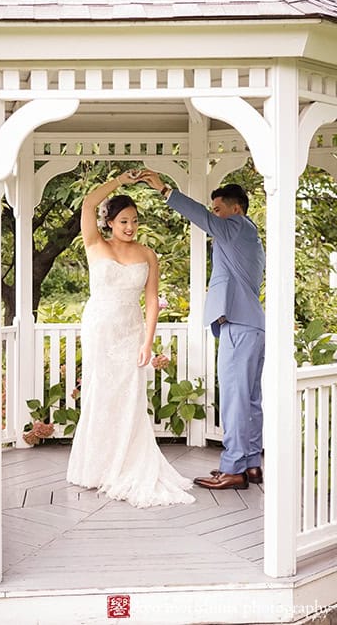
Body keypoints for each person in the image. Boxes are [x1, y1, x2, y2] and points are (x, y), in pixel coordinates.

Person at [66, 171, 195, 507]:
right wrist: (120, 180)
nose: (130, 227)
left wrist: (147, 343)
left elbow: (152, 301)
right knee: (101, 394)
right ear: (109, 222)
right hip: (100, 329)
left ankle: (128, 462)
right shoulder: (95, 244)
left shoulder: (148, 255)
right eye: (123, 221)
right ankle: (98, 467)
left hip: (131, 331)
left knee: (130, 399)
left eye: (135, 221)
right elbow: (89, 202)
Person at [141, 171, 265, 491]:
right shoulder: (247, 236)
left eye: (218, 209)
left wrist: (165, 190)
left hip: (238, 326)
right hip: (251, 325)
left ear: (235, 210)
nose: (213, 216)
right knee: (249, 399)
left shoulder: (236, 228)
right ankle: (251, 464)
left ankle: (233, 469)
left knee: (236, 401)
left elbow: (200, 217)